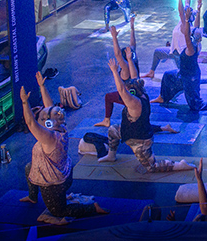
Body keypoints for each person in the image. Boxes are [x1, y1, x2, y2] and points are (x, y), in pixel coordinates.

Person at [19, 72, 108, 224]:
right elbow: (50, 108)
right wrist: (42, 87)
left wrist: (24, 103)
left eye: (43, 116)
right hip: (64, 171)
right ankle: (32, 197)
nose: (43, 113)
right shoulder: (60, 127)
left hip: (54, 183)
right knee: (29, 168)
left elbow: (31, 123)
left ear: (48, 122)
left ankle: (93, 208)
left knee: (59, 211)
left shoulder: (49, 137)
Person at [98, 54, 193, 173]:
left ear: (131, 92)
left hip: (139, 141)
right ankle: (111, 156)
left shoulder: (134, 103)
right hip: (130, 131)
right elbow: (135, 78)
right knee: (113, 130)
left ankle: (180, 165)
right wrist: (129, 59)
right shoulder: (142, 93)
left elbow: (121, 90)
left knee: (152, 167)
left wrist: (114, 72)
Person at [153, 0, 207, 113]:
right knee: (167, 75)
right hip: (182, 73)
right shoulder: (194, 40)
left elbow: (187, 35)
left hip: (190, 78)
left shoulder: (191, 48)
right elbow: (195, 27)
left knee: (195, 105)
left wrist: (186, 20)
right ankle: (162, 97)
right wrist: (198, 9)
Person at [143, 0, 195, 80]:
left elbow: (180, 10)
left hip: (180, 56)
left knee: (186, 77)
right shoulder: (184, 22)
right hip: (173, 51)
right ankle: (151, 72)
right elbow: (187, 2)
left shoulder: (186, 25)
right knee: (157, 52)